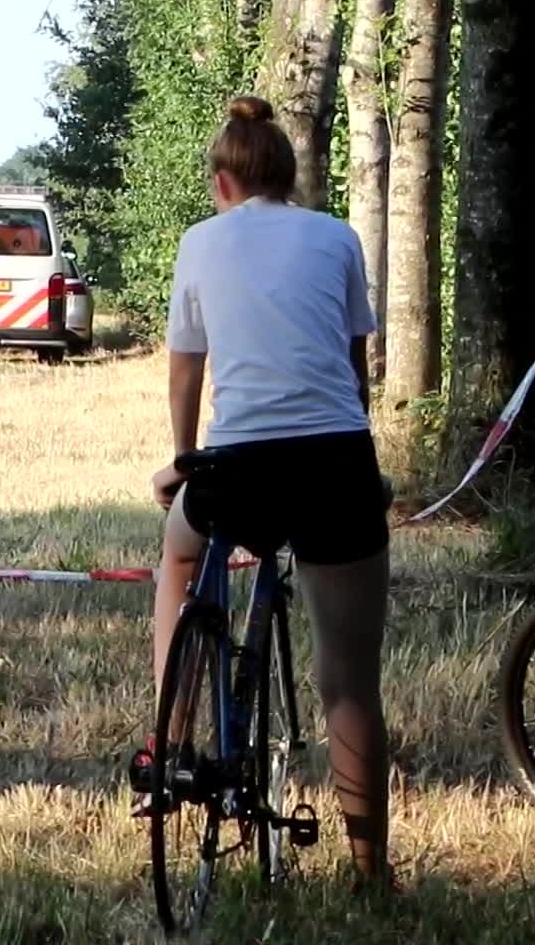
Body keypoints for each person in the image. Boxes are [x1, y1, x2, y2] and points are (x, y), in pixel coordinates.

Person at [129, 95, 394, 890]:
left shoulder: (200, 244)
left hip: (237, 469)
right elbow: (351, 370)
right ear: (289, 175)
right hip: (335, 466)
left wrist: (183, 459)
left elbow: (187, 365)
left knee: (178, 556)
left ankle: (170, 742)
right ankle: (369, 871)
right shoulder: (337, 236)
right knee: (350, 679)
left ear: (221, 183)